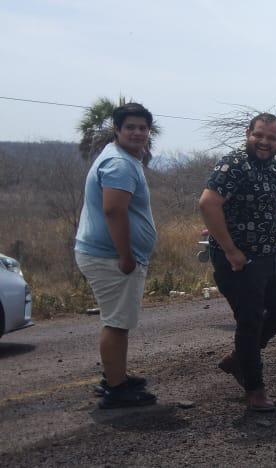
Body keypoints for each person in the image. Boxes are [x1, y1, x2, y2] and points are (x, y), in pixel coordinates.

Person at [199, 113, 276, 412]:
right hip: (241, 259)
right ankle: (254, 389)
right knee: (250, 321)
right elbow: (208, 204)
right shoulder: (233, 164)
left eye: (271, 137)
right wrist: (230, 250)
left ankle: (240, 359)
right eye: (259, 135)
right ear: (248, 134)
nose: (264, 142)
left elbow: (274, 206)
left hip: (272, 255)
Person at [74, 103, 158, 409]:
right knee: (117, 323)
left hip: (107, 254)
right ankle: (116, 389)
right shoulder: (119, 164)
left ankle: (116, 376)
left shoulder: (122, 158)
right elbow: (113, 210)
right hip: (111, 257)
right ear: (117, 129)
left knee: (118, 320)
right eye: (130, 127)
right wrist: (126, 255)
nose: (137, 133)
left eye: (142, 128)